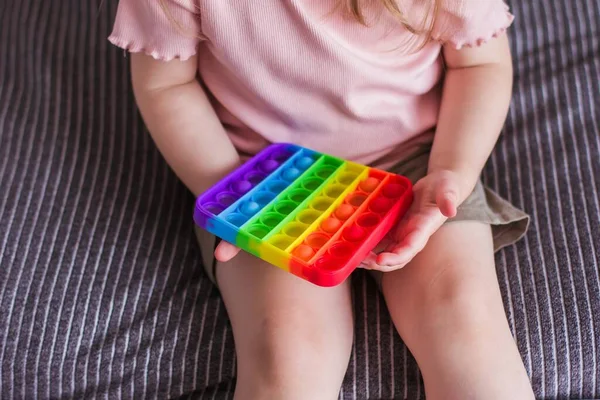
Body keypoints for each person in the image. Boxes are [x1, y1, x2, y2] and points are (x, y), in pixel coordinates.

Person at [109, 0, 534, 398]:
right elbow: (166, 84)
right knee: (288, 352)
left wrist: (451, 171)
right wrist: (231, 197)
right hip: (262, 180)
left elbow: (480, 63)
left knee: (465, 321)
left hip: (415, 163)